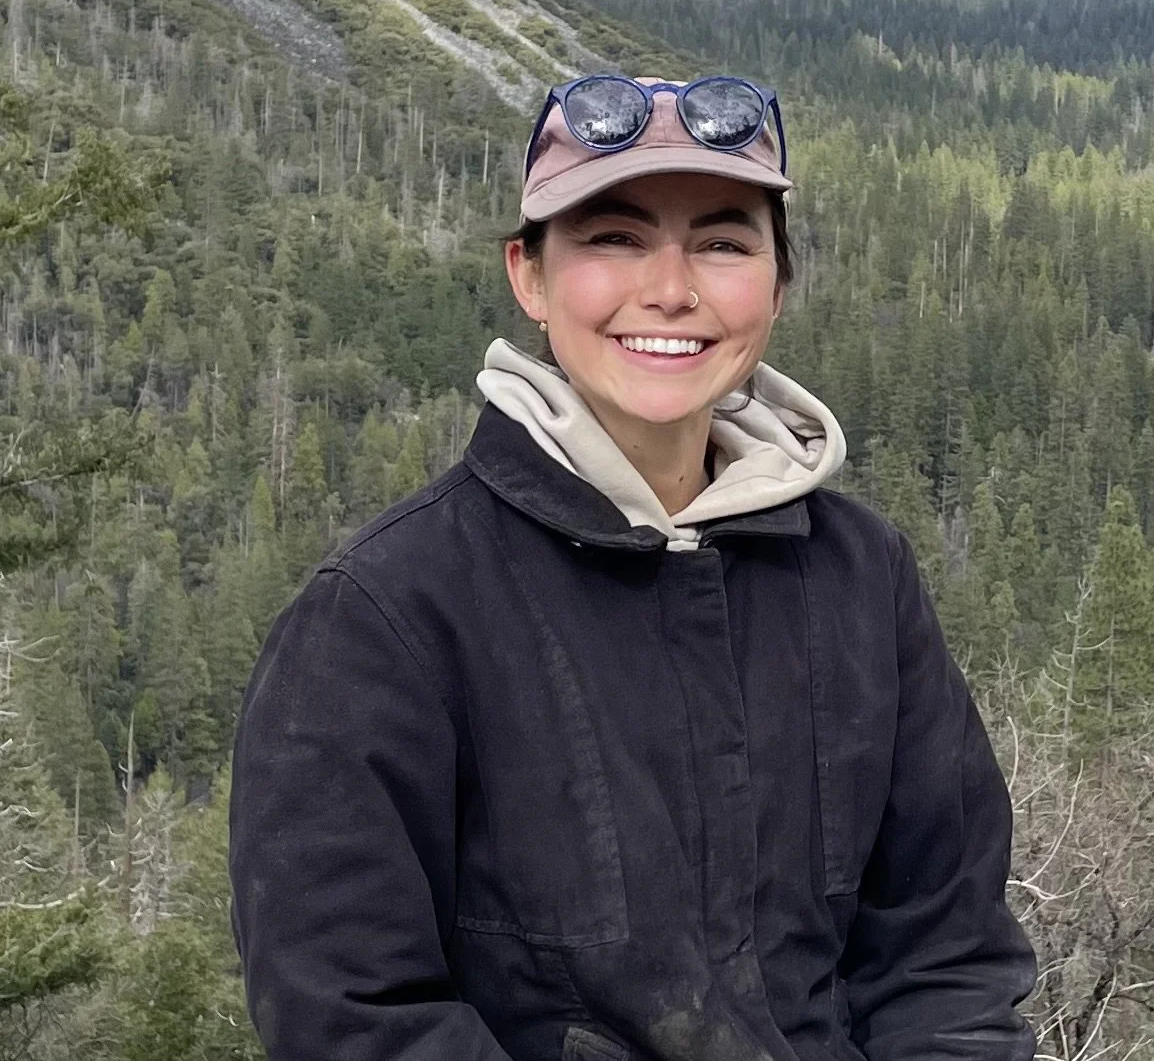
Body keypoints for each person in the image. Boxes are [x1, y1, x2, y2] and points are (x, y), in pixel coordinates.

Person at [230, 73, 1037, 1061]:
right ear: (527, 274)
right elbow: (350, 1016)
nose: (668, 287)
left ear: (776, 285)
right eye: (612, 237)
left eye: (722, 241)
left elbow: (943, 953)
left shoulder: (862, 580)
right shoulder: (385, 614)